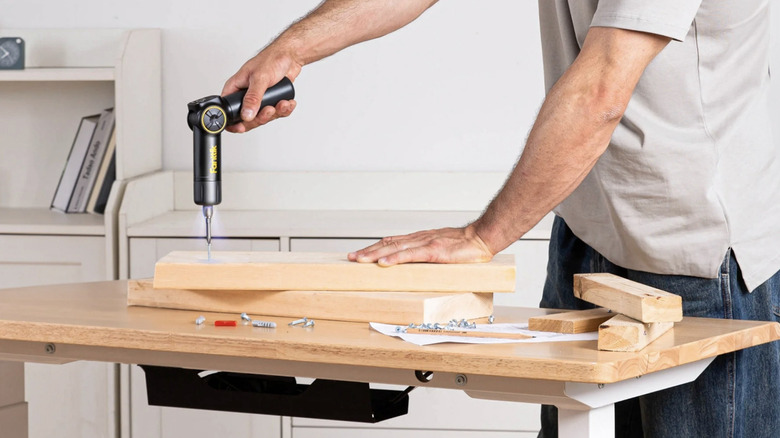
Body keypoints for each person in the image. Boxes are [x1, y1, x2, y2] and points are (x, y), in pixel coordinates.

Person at [222, 1, 780, 436]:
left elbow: (601, 90)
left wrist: (481, 236)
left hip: (699, 256)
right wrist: (293, 48)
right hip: (589, 233)